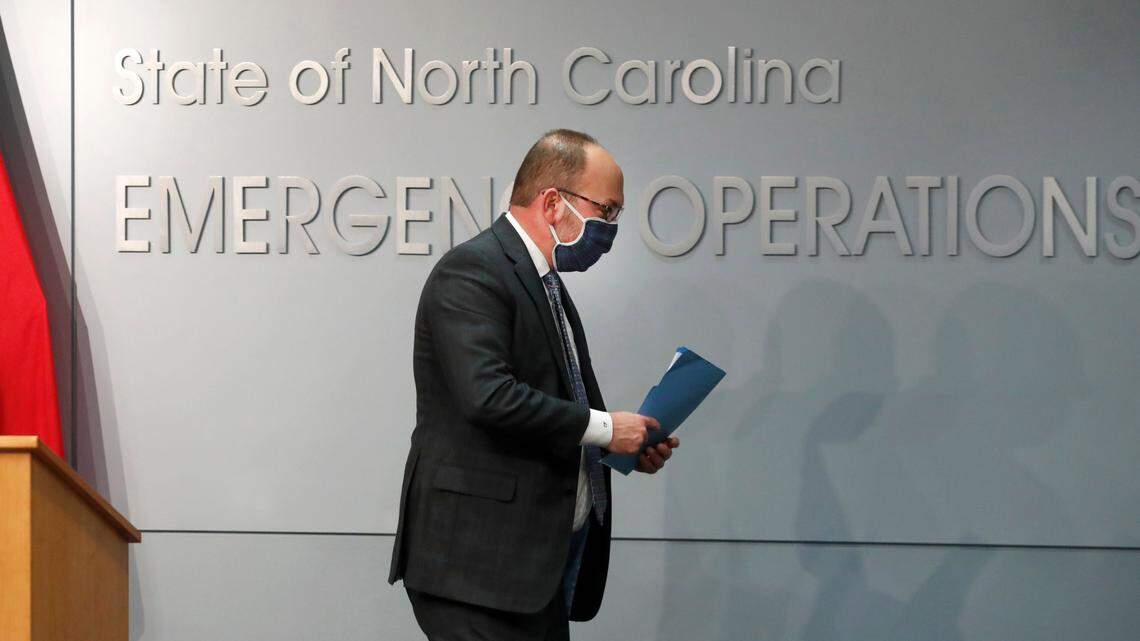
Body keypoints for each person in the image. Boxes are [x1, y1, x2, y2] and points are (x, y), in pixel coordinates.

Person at [387, 128, 681, 640]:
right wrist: (606, 428)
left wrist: (623, 447)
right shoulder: (473, 270)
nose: (610, 227)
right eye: (606, 211)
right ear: (552, 203)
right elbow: (488, 396)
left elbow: (557, 406)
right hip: (475, 572)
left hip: (531, 572)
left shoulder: (545, 282)